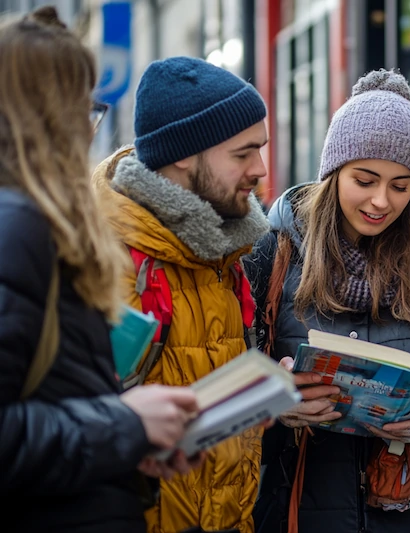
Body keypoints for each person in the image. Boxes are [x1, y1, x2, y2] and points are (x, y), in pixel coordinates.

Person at [244, 69, 410, 533]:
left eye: (401, 187)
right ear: (333, 172)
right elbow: (225, 381)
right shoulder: (271, 258)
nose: (381, 201)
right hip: (295, 508)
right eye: (365, 179)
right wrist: (273, 404)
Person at [0, 7, 202, 533]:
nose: (89, 131)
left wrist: (132, 440)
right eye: (83, 110)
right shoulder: (18, 228)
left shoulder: (32, 222)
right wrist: (126, 424)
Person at [92, 56, 272, 533]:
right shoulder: (106, 261)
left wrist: (263, 396)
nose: (261, 168)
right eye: (242, 154)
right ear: (183, 154)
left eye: (262, 148)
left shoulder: (226, 249)